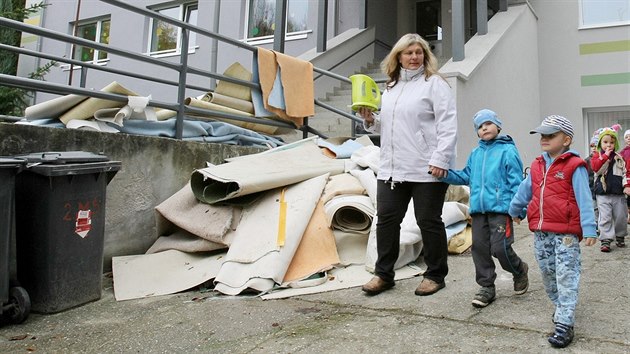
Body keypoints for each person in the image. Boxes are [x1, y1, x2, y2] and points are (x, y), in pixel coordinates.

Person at [357, 33, 457, 296]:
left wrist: (440, 159)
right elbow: (391, 125)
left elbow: (447, 125)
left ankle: (435, 275)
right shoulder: (390, 87)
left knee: (428, 221)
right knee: (386, 221)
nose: (414, 57)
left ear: (425, 55)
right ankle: (383, 274)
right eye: (408, 53)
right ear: (398, 57)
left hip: (427, 167)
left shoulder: (435, 83)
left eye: (419, 52)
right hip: (392, 168)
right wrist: (371, 120)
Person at [509, 115, 597, 349]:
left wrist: (589, 228)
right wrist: (515, 209)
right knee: (548, 274)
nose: (544, 139)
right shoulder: (538, 165)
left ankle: (565, 322)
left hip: (566, 234)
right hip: (541, 232)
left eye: (551, 135)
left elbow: (584, 198)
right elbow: (524, 191)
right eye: (542, 135)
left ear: (566, 140)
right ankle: (561, 307)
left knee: (566, 275)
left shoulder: (574, 166)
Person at [440, 109, 528, 308]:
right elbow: (465, 176)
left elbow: (517, 183)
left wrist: (519, 209)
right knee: (479, 249)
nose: (484, 128)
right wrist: (443, 175)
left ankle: (519, 270)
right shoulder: (476, 153)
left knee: (500, 248)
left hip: (501, 210)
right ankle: (486, 286)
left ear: (498, 126)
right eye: (480, 126)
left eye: (488, 123)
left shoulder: (508, 151)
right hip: (478, 211)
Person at [590, 124, 630, 251]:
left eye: (611, 142)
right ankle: (605, 239)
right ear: (600, 143)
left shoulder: (619, 158)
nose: (608, 145)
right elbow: (597, 169)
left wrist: (626, 185)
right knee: (605, 216)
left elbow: (625, 172)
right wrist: (605, 157)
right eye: (605, 142)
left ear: (616, 144)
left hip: (618, 193)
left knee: (620, 216)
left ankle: (620, 235)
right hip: (603, 193)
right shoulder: (597, 157)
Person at [617, 129, 630, 224]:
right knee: (627, 199)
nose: (629, 138)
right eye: (626, 137)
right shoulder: (622, 153)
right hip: (627, 179)